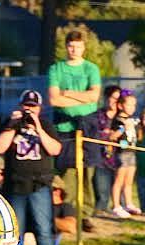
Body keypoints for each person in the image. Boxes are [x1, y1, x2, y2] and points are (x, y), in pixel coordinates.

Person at [0, 89, 62, 245]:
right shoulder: (10, 124)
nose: (29, 110)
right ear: (20, 106)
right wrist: (12, 126)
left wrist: (38, 128)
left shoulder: (46, 125)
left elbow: (55, 149)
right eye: (26, 106)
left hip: (39, 185)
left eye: (33, 106)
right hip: (15, 186)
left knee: (44, 231)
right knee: (15, 233)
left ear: (40, 108)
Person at [47, 30, 100, 229]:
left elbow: (94, 97)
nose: (74, 49)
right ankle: (69, 211)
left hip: (88, 127)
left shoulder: (91, 69)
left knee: (87, 172)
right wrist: (82, 96)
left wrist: (67, 93)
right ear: (66, 46)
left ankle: (86, 213)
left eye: (77, 46)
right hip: (64, 128)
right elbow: (54, 99)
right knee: (68, 172)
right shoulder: (56, 69)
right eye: (70, 45)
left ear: (83, 47)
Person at [91, 84, 120, 218]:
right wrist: (108, 134)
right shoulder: (98, 115)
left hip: (118, 156)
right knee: (101, 185)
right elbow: (95, 134)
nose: (114, 101)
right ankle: (100, 210)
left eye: (117, 99)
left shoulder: (121, 117)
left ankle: (112, 207)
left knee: (114, 185)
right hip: (101, 157)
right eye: (112, 98)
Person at [109, 89, 139, 217]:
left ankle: (129, 203)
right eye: (129, 105)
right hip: (122, 153)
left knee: (129, 180)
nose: (132, 108)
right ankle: (116, 205)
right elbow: (112, 136)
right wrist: (123, 128)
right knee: (119, 180)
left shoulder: (131, 120)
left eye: (134, 105)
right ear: (121, 105)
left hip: (132, 152)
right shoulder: (118, 120)